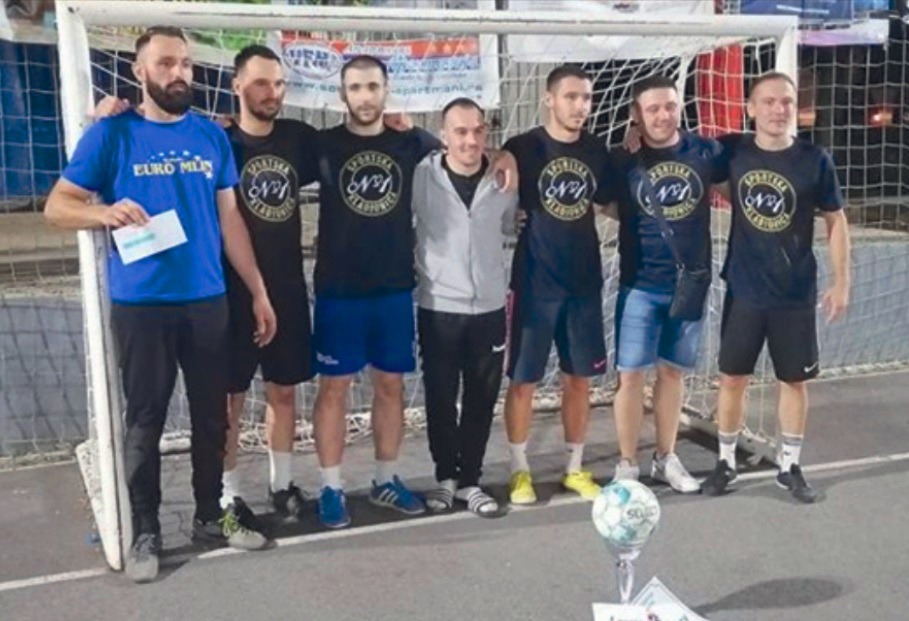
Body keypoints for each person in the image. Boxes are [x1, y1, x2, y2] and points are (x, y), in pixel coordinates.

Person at [45, 27, 275, 583]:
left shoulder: (210, 136)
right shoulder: (112, 134)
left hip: (207, 301)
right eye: (166, 63)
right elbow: (57, 205)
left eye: (186, 64)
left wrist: (258, 290)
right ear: (139, 71)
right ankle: (145, 528)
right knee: (145, 419)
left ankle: (208, 516)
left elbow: (229, 220)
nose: (179, 73)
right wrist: (102, 213)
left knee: (212, 416)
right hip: (142, 304)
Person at [701, 72, 851, 503]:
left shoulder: (814, 159)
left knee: (793, 381)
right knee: (732, 378)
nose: (778, 109)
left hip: (794, 293)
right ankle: (725, 461)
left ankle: (789, 466)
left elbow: (836, 220)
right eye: (767, 101)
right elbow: (684, 155)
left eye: (786, 101)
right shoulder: (733, 150)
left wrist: (842, 282)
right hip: (745, 289)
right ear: (750, 108)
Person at [310, 55, 442, 528]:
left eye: (372, 87)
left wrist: (503, 158)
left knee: (390, 385)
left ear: (387, 90)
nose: (365, 96)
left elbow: (460, 150)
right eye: (355, 88)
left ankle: (385, 479)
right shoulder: (323, 144)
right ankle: (330, 487)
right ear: (342, 94)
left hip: (393, 288)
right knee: (334, 388)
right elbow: (264, 149)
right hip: (338, 290)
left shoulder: (410, 142)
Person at [502, 65, 617, 505]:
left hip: (583, 283)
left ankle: (574, 467)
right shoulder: (523, 147)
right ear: (549, 99)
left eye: (586, 98)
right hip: (534, 284)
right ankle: (519, 470)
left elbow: (608, 203)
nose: (580, 106)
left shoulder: (597, 150)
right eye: (571, 97)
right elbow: (493, 173)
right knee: (523, 382)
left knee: (579, 380)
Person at [609, 75, 727, 492]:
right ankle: (627, 463)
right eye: (653, 108)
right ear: (636, 115)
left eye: (670, 106)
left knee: (673, 374)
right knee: (630, 377)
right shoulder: (622, 160)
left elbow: (744, 177)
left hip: (689, 283)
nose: (663, 115)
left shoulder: (706, 151)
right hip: (640, 285)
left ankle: (666, 457)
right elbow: (603, 203)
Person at [414, 97, 518, 517]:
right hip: (439, 306)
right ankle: (445, 478)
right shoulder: (422, 176)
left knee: (481, 398)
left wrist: (507, 157)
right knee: (440, 397)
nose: (470, 140)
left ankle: (471, 481)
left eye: (477, 131)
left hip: (489, 306)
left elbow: (511, 225)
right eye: (460, 131)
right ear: (444, 136)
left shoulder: (503, 178)